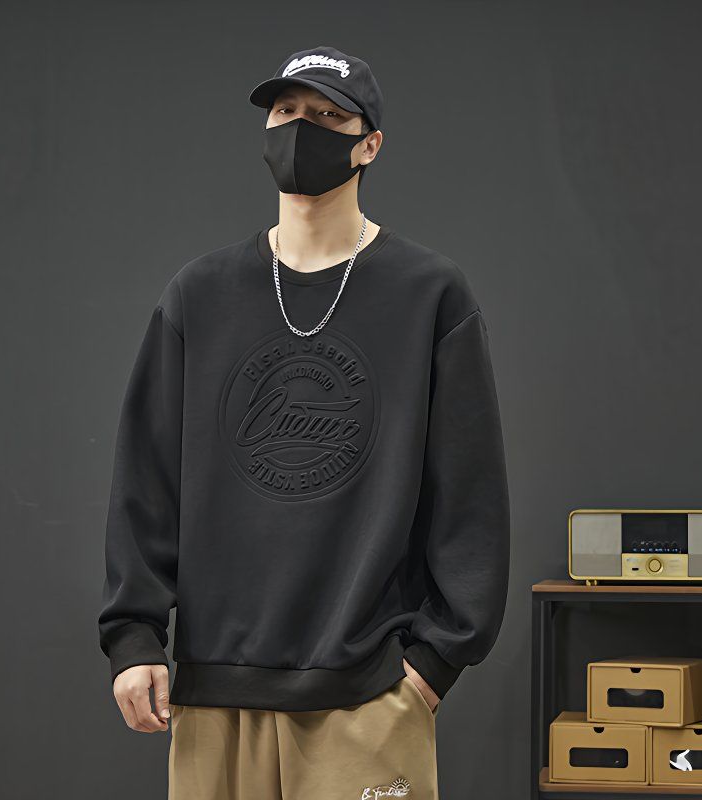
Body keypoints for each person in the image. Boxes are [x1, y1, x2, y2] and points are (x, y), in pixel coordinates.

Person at [98, 44, 510, 799]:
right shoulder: (201, 294)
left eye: (326, 116)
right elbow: (146, 480)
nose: (300, 129)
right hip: (213, 691)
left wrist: (433, 664)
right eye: (286, 112)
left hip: (368, 692)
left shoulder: (428, 293)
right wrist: (134, 637)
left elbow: (470, 495)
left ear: (369, 145)